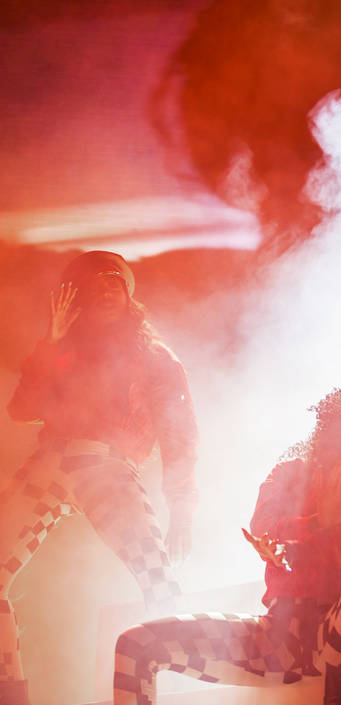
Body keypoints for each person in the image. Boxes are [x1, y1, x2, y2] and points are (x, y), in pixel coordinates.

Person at [113, 382, 341, 705]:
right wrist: (316, 523)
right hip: (276, 637)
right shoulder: (290, 474)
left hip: (340, 635)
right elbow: (267, 529)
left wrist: (314, 534)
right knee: (135, 645)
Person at [0, 251, 197, 705]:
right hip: (50, 461)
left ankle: (167, 692)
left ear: (130, 297)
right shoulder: (65, 349)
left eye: (114, 283)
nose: (105, 292)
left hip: (106, 467)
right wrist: (48, 345)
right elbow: (21, 411)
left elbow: (179, 432)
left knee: (158, 581)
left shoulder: (154, 356)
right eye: (94, 287)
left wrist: (182, 508)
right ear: (80, 301)